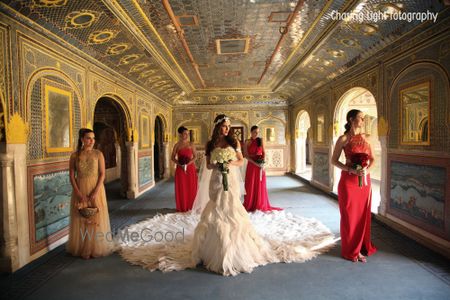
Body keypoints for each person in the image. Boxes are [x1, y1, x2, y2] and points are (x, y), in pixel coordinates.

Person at [119, 115, 335, 276]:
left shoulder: (234, 143)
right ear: (217, 127)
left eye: (228, 127)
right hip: (215, 179)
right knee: (216, 206)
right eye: (223, 126)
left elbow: (241, 161)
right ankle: (210, 247)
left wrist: (228, 163)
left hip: (230, 179)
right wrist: (218, 164)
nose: (226, 129)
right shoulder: (211, 143)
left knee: (230, 206)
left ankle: (231, 248)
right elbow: (209, 164)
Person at [331, 109, 377, 263]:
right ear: (351, 119)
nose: (363, 121)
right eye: (360, 118)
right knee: (350, 216)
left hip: (364, 183)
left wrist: (366, 171)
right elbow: (334, 160)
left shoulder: (367, 139)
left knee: (362, 216)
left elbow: (373, 160)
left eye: (364, 118)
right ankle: (352, 250)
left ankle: (360, 248)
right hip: (348, 182)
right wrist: (350, 169)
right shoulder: (343, 139)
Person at [67, 128, 113, 259]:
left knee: (95, 218)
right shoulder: (74, 156)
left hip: (96, 189)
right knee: (81, 218)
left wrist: (96, 192)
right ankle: (82, 247)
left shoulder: (98, 154)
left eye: (93, 138)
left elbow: (102, 174)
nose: (92, 141)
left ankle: (95, 247)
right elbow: (71, 175)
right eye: (88, 138)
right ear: (82, 139)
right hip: (80, 188)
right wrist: (78, 192)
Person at [243, 125, 281, 211]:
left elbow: (263, 152)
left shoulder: (260, 140)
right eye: (254, 132)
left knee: (260, 185)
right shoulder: (247, 142)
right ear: (251, 132)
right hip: (252, 166)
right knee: (250, 184)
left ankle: (260, 204)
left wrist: (262, 163)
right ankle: (250, 204)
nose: (256, 134)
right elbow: (246, 155)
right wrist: (255, 163)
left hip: (260, 167)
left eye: (257, 132)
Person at [171, 126, 198, 212]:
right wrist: (180, 164)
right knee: (182, 187)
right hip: (180, 169)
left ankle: (191, 206)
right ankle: (182, 206)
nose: (186, 135)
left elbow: (195, 157)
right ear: (180, 135)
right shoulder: (177, 145)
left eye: (187, 134)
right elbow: (172, 157)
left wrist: (187, 164)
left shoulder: (191, 144)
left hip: (190, 169)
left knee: (191, 186)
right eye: (184, 134)